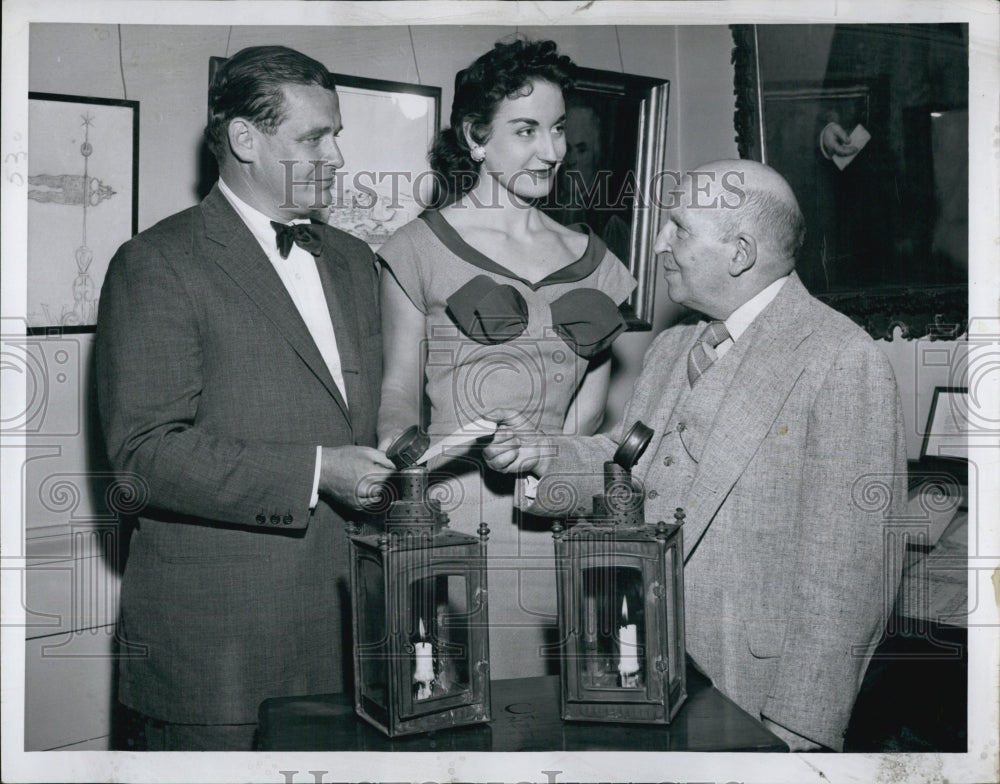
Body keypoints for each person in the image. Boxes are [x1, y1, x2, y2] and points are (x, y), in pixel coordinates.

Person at [484, 159, 907, 750]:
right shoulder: (676, 343)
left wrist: (798, 727)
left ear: (739, 252)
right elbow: (630, 465)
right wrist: (542, 456)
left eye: (678, 229)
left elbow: (852, 571)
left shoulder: (841, 358)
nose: (660, 244)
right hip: (643, 665)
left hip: (755, 696)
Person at [95, 45, 394, 750]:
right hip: (220, 659)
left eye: (337, 136)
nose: (336, 157)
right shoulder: (157, 263)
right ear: (243, 139)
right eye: (314, 137)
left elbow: (357, 417)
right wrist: (319, 472)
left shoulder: (353, 260)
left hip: (355, 646)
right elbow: (144, 457)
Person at [376, 39, 636, 678]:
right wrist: (412, 476)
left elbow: (589, 417)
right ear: (475, 136)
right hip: (455, 517)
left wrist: (548, 458)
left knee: (573, 698)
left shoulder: (597, 261)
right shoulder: (417, 249)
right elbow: (395, 398)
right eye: (526, 131)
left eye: (557, 130)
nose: (550, 151)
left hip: (565, 516)